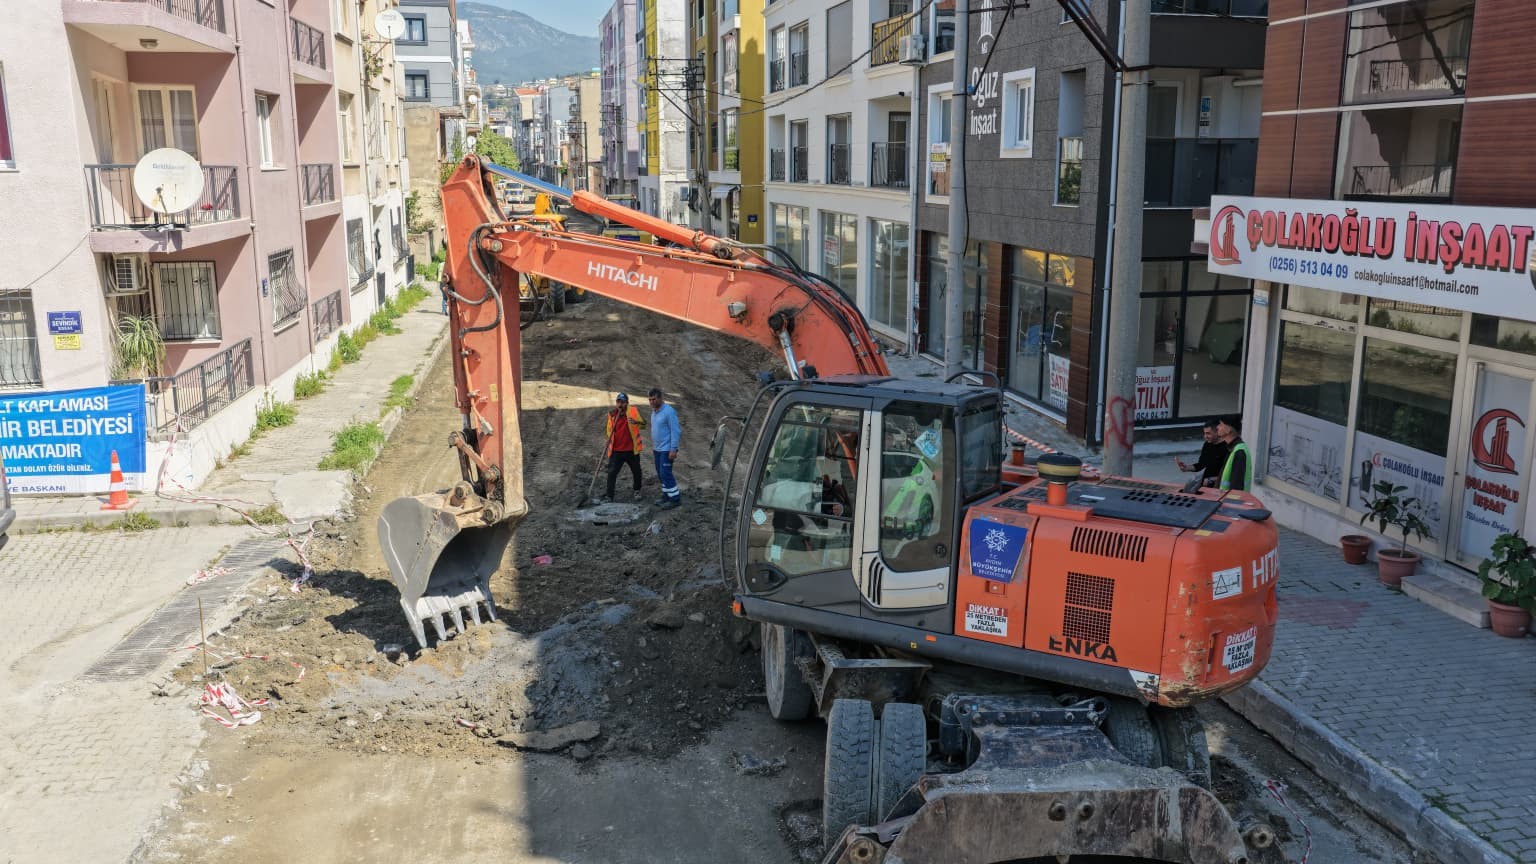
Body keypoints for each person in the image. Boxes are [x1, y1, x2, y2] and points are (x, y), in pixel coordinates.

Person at [602, 392, 646, 502]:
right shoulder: (612, 414)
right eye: (618, 402)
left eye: (623, 402)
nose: (620, 404)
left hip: (632, 450)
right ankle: (609, 496)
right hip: (617, 451)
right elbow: (608, 430)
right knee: (612, 473)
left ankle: (637, 490)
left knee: (637, 471)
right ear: (616, 403)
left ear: (627, 403)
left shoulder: (633, 411)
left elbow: (644, 425)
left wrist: (636, 422)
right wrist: (609, 436)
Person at [648, 388, 682, 509]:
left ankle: (675, 499)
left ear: (660, 398)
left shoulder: (669, 411)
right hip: (657, 449)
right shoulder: (654, 411)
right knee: (660, 473)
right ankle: (666, 495)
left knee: (665, 472)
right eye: (650, 400)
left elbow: (676, 430)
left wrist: (673, 448)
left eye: (654, 399)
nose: (651, 402)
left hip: (667, 449)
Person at [1176, 419, 1229, 488]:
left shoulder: (1227, 448)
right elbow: (1201, 465)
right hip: (1205, 486)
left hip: (1220, 488)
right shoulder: (1207, 444)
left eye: (1208, 433)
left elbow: (1230, 474)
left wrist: (1212, 479)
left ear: (1217, 432)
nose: (1205, 436)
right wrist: (1186, 468)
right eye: (1204, 433)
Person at [1217, 414, 1252, 492]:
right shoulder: (1233, 448)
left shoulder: (1239, 452)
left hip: (1229, 502)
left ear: (1228, 430)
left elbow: (1236, 486)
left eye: (1221, 425)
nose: (1217, 427)